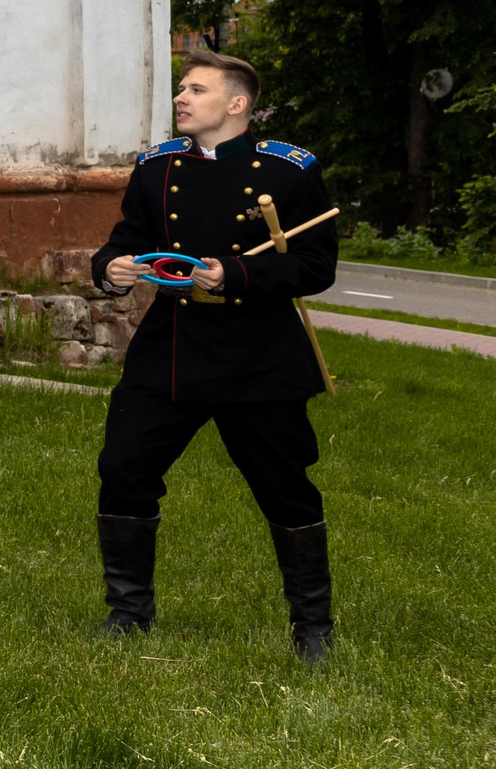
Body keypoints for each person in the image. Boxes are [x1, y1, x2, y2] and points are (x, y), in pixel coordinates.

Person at [90, 49, 338, 662]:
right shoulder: (156, 168)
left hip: (259, 355)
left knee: (284, 487)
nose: (181, 98)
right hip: (169, 349)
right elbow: (128, 240)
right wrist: (112, 269)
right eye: (181, 88)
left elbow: (316, 266)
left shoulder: (290, 171)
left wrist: (235, 275)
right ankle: (128, 613)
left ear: (236, 103)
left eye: (195, 89)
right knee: (123, 468)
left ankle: (313, 628)